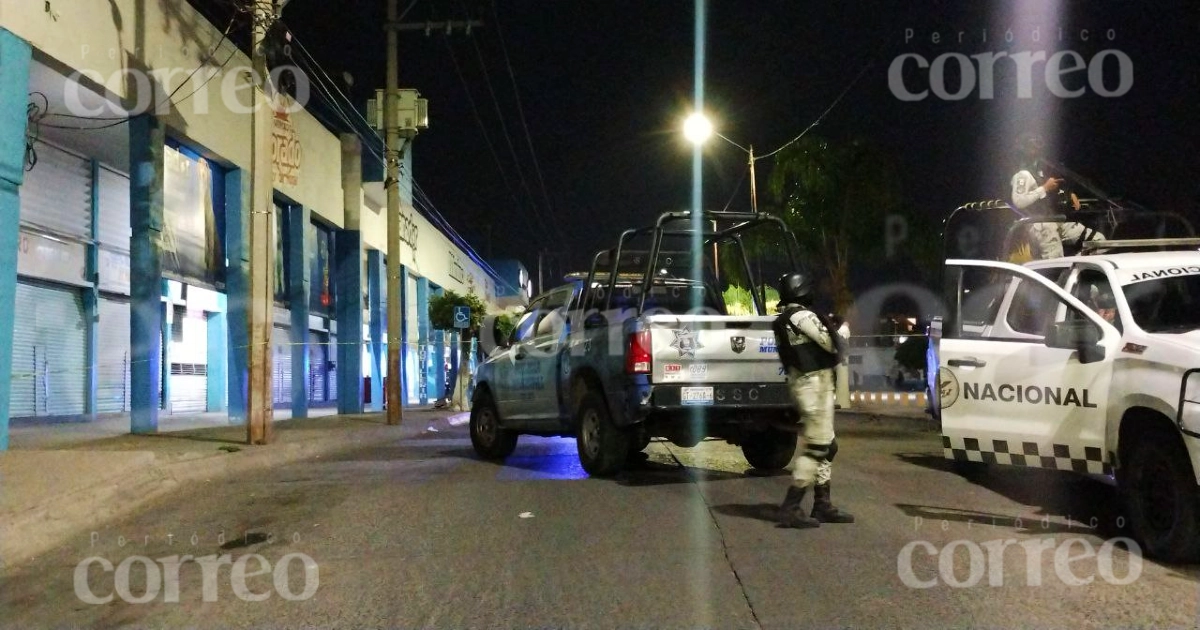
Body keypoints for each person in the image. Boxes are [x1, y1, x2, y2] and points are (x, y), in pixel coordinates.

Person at [772, 272, 855, 528]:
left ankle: (822, 504)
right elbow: (834, 344)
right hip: (814, 386)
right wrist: (842, 328)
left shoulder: (783, 319)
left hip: (805, 384)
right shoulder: (802, 316)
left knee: (827, 445)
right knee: (818, 447)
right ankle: (792, 506)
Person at [1010, 132, 1104, 259]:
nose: (1038, 149)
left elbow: (1054, 191)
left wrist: (1069, 194)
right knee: (1055, 260)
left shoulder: (1042, 171)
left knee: (1100, 242)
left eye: (1039, 146)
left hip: (1058, 219)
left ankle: (1073, 265)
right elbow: (1019, 201)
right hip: (1041, 225)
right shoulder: (1022, 175)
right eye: (1033, 146)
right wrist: (1044, 188)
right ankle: (1060, 271)